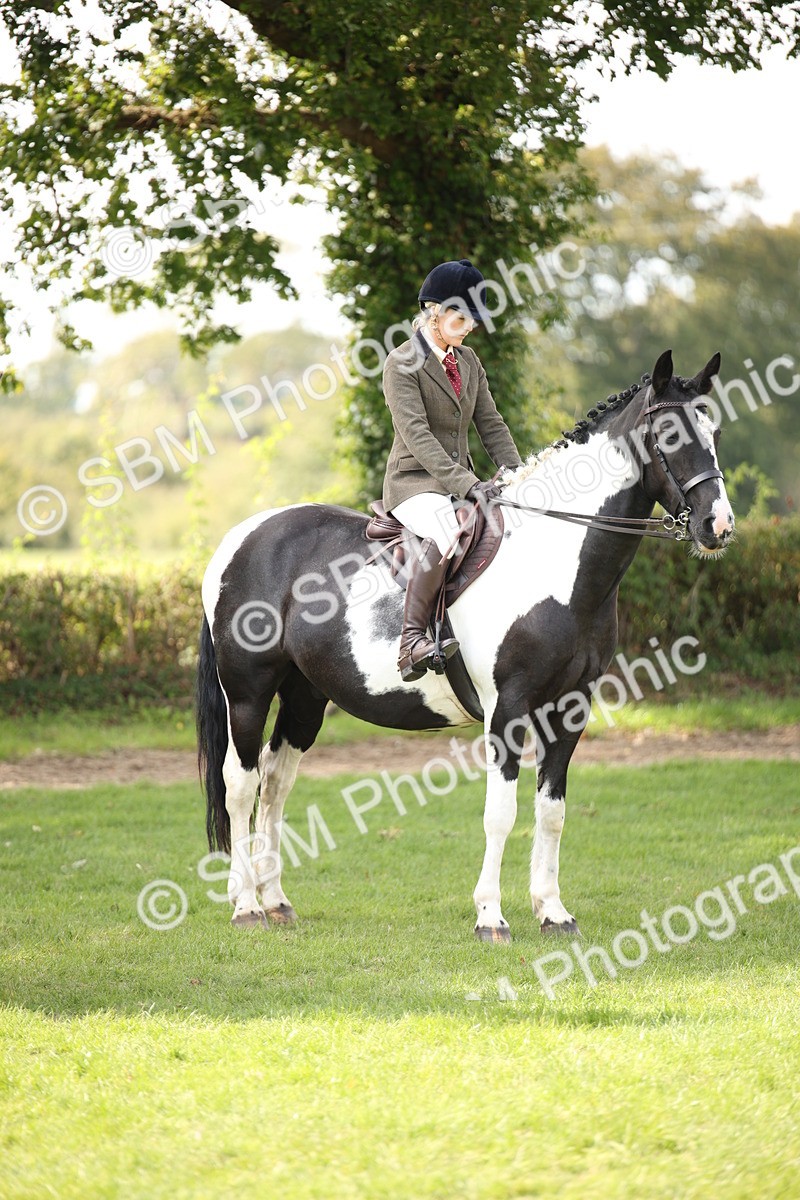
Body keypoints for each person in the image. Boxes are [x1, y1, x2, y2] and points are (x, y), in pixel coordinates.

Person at [381, 258, 524, 682]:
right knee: (447, 530)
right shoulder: (401, 363)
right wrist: (471, 483)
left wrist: (518, 473)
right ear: (432, 312)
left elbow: (491, 423)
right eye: (460, 318)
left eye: (472, 321)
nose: (467, 328)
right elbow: (419, 437)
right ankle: (410, 642)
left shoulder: (468, 362)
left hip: (459, 485)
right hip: (415, 484)